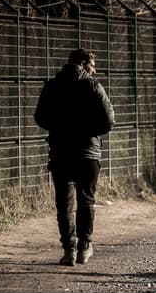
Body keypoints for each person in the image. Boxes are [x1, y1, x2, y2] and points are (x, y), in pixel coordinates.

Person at [34, 49, 115, 266]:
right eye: (92, 64)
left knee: (64, 203)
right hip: (88, 152)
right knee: (86, 200)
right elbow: (109, 120)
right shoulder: (93, 86)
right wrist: (90, 131)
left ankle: (69, 249)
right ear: (82, 63)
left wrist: (59, 129)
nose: (94, 70)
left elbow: (39, 117)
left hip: (61, 150)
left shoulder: (52, 86)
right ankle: (84, 247)